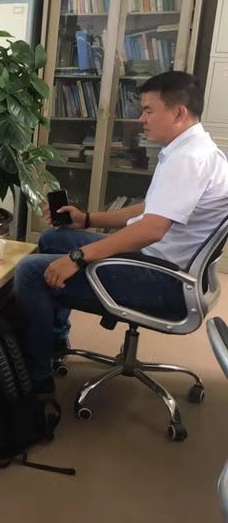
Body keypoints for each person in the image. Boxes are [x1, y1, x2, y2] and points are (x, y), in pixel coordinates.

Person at [14, 71, 228, 394]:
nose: (141, 119)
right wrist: (87, 219)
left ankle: (36, 381)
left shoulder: (188, 159)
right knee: (54, 238)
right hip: (166, 265)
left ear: (179, 113)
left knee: (31, 272)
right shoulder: (197, 149)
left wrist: (78, 257)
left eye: (148, 110)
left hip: (163, 279)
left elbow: (151, 230)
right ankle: (55, 341)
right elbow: (151, 209)